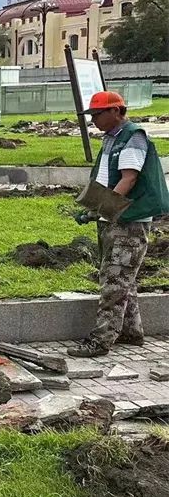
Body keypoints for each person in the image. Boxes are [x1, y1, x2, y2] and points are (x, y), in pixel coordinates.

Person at [70, 91, 169, 357]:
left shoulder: (133, 137)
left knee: (114, 281)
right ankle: (131, 332)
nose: (94, 120)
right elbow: (105, 180)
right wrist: (93, 210)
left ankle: (101, 340)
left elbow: (128, 179)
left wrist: (102, 209)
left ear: (116, 111)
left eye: (98, 114)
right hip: (113, 217)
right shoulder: (111, 139)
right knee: (124, 279)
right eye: (91, 115)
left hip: (129, 221)